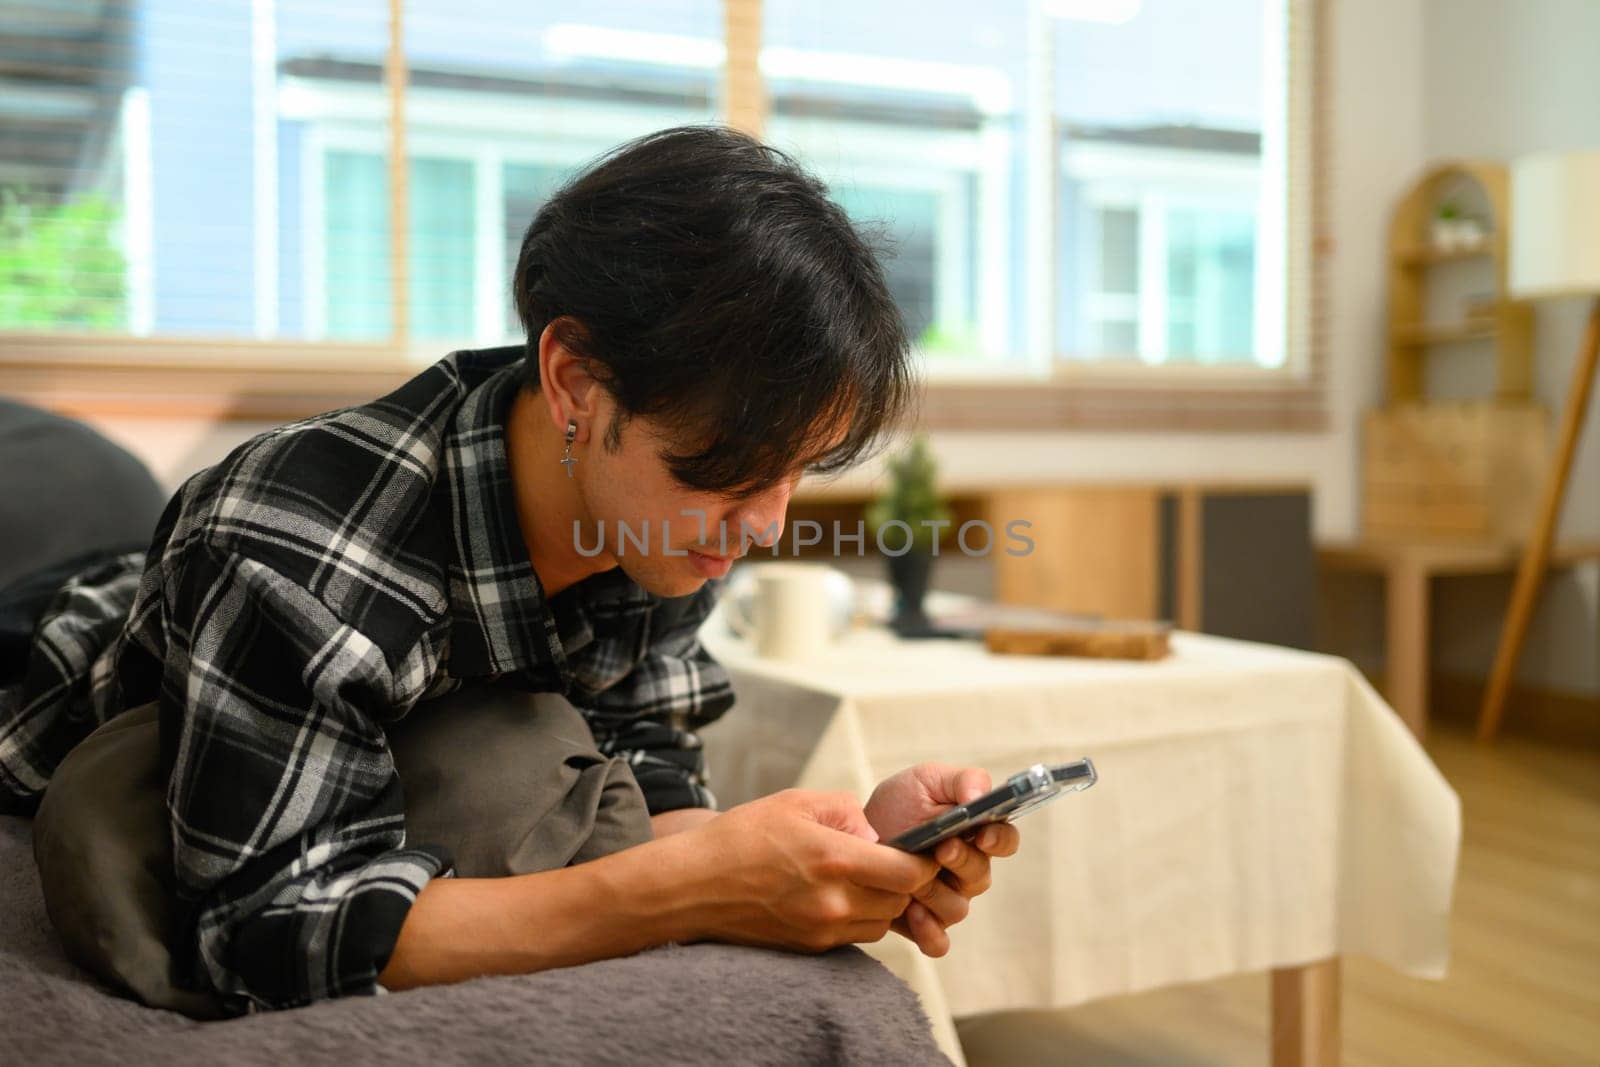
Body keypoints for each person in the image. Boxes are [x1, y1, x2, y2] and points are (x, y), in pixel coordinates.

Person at [0, 126, 1019, 1014]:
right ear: (574, 378)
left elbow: (640, 764)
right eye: (728, 472)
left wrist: (847, 844)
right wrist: (689, 886)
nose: (763, 523)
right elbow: (262, 930)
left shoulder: (661, 517)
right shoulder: (295, 555)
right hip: (54, 639)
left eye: (796, 470)